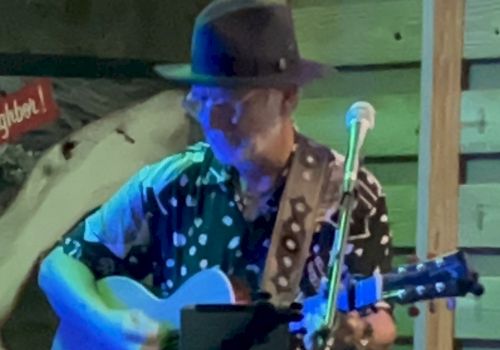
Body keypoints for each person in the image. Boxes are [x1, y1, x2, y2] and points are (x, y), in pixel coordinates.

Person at [38, 0, 397, 349]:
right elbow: (60, 265)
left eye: (232, 104)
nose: (213, 121)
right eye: (203, 102)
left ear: (288, 97)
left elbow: (377, 318)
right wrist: (110, 324)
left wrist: (359, 336)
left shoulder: (346, 191)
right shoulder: (174, 182)